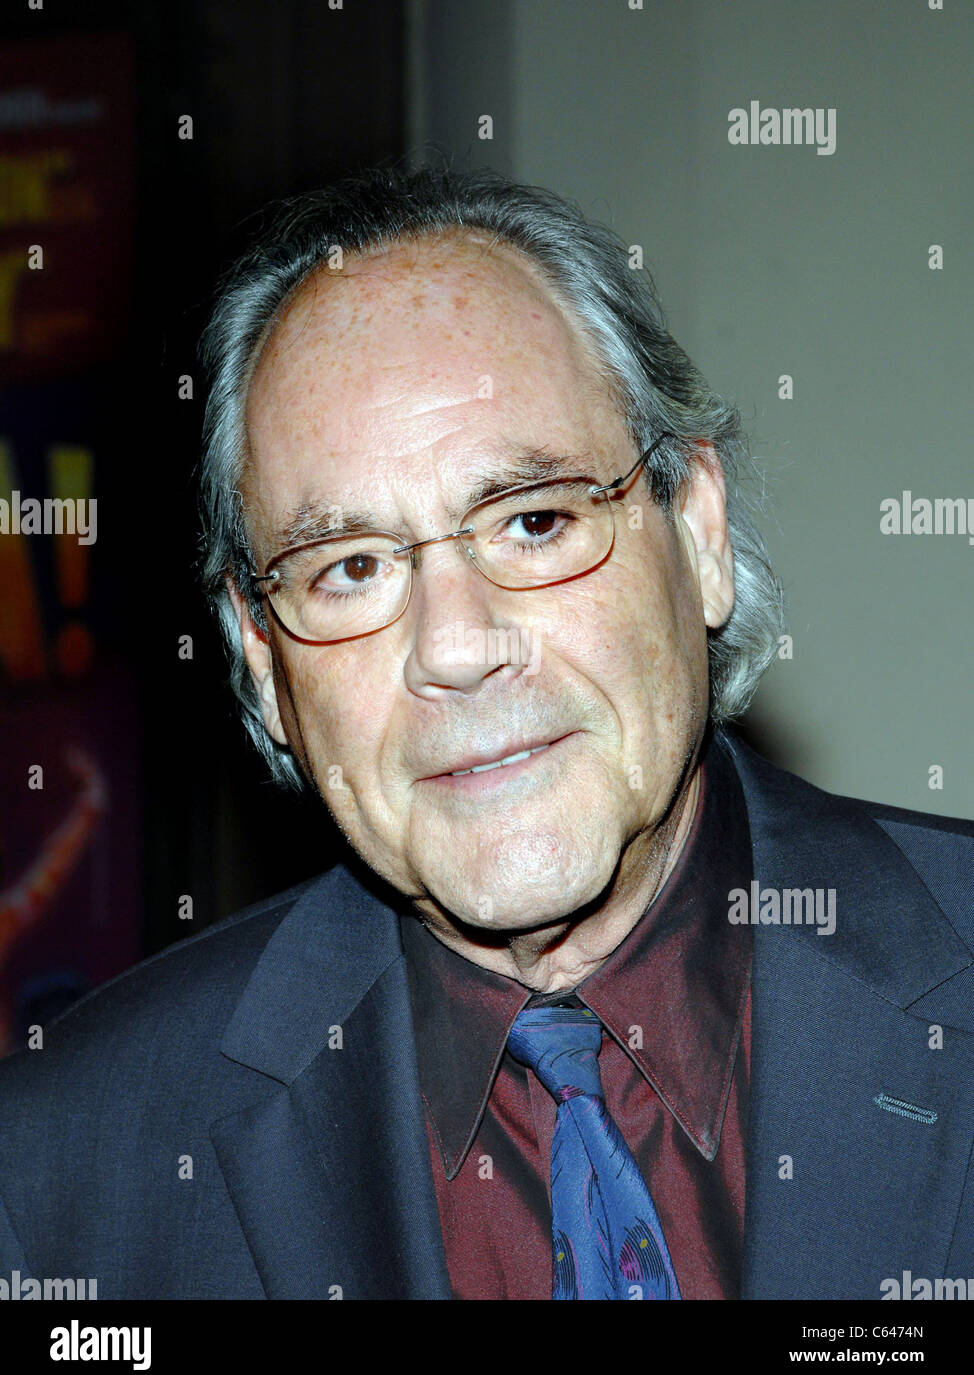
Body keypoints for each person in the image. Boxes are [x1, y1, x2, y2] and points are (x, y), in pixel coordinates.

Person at [1, 165, 972, 1301]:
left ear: (696, 528)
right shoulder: (62, 1176)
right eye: (349, 567)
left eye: (533, 520)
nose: (455, 646)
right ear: (262, 660)